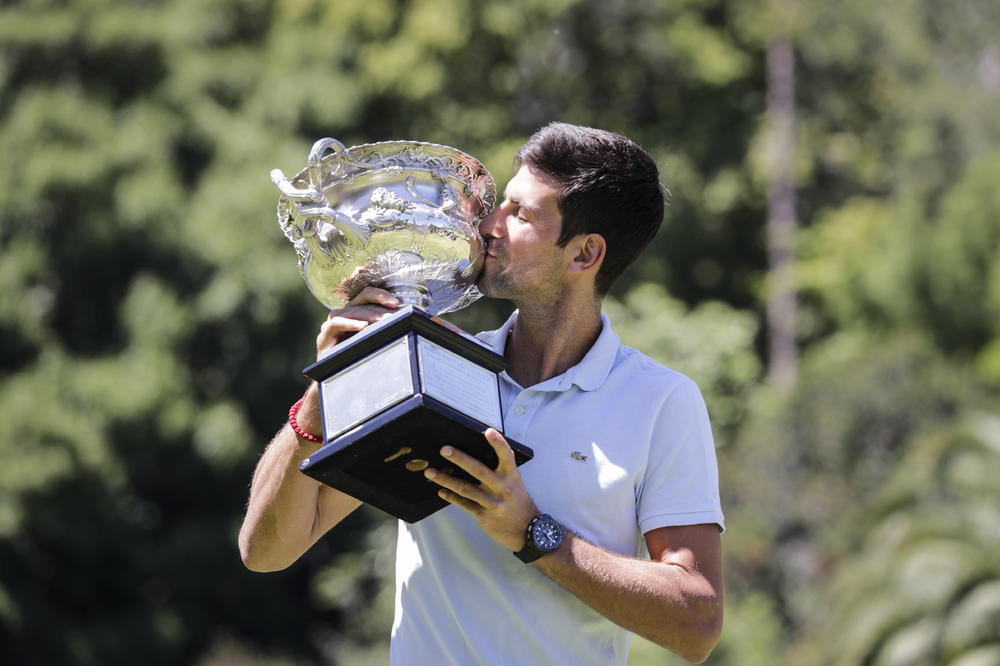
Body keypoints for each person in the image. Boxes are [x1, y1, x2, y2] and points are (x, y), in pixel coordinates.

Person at [239, 122, 725, 665]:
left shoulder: (661, 401)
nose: (485, 225)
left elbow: (697, 623)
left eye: (519, 214)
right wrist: (318, 401)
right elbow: (265, 552)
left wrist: (533, 534)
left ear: (585, 255)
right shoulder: (425, 361)